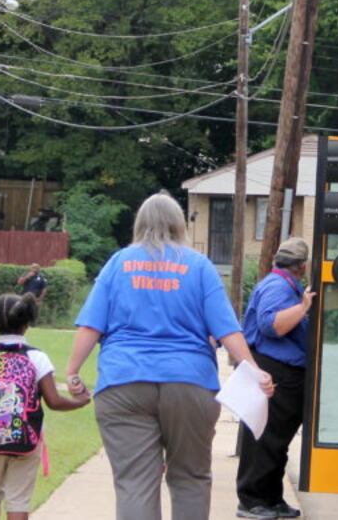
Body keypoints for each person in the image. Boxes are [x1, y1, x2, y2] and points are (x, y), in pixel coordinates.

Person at [64, 192, 275, 520]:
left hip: (123, 382)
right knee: (190, 477)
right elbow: (227, 330)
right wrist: (255, 370)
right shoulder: (199, 266)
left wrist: (73, 371)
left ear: (139, 223)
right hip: (190, 382)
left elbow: (91, 325)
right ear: (179, 225)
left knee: (135, 482)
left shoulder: (118, 263)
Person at [0, 292, 90, 520]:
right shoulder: (37, 358)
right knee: (18, 499)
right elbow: (54, 401)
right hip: (26, 439)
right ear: (27, 323)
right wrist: (81, 401)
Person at [234, 238, 314, 519]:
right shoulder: (277, 286)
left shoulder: (284, 285)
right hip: (274, 370)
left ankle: (271, 498)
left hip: (284, 372)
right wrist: (303, 308)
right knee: (264, 439)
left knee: (277, 442)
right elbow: (271, 324)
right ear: (302, 266)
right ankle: (252, 500)